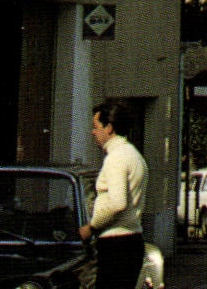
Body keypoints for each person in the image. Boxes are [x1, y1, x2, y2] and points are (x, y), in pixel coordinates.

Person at [79, 99, 147, 289]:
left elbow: (117, 203)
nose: (93, 132)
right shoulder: (134, 155)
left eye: (96, 127)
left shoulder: (116, 159)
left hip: (116, 244)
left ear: (109, 128)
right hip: (131, 240)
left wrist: (91, 227)